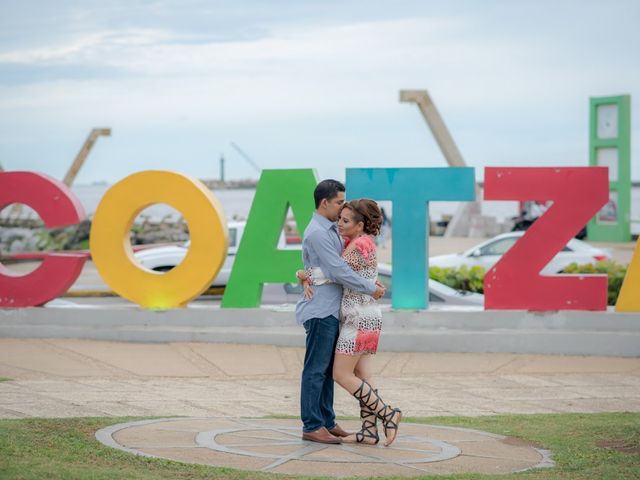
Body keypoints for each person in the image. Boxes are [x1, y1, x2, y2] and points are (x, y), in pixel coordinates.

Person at [299, 199, 402, 447]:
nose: (340, 224)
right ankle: (368, 431)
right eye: (340, 218)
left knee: (341, 374)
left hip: (357, 319)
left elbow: (334, 273)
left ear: (360, 224)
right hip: (368, 317)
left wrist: (303, 274)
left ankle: (389, 414)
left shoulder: (357, 248)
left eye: (346, 221)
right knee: (363, 375)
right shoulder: (362, 243)